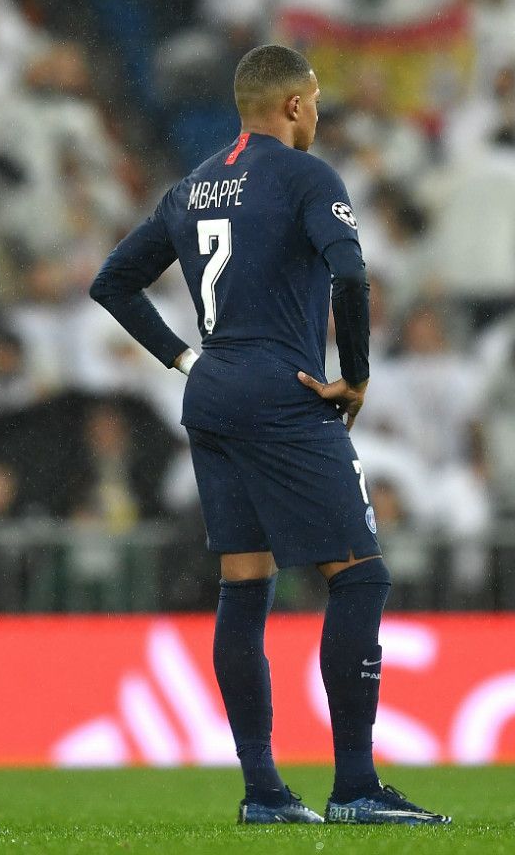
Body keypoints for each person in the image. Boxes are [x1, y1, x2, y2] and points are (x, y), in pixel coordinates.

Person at [89, 45, 448, 826]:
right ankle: (355, 786)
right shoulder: (305, 177)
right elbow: (350, 272)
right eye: (313, 100)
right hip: (284, 392)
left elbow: (112, 281)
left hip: (213, 391)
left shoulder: (192, 185)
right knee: (360, 577)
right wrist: (356, 374)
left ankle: (263, 790)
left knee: (245, 586)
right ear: (291, 105)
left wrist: (185, 359)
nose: (316, 113)